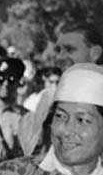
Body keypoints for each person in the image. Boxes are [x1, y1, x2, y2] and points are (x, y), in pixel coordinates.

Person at [19, 23, 103, 156]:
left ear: (95, 53)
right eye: (59, 50)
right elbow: (35, 152)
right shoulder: (49, 98)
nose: (60, 56)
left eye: (70, 49)